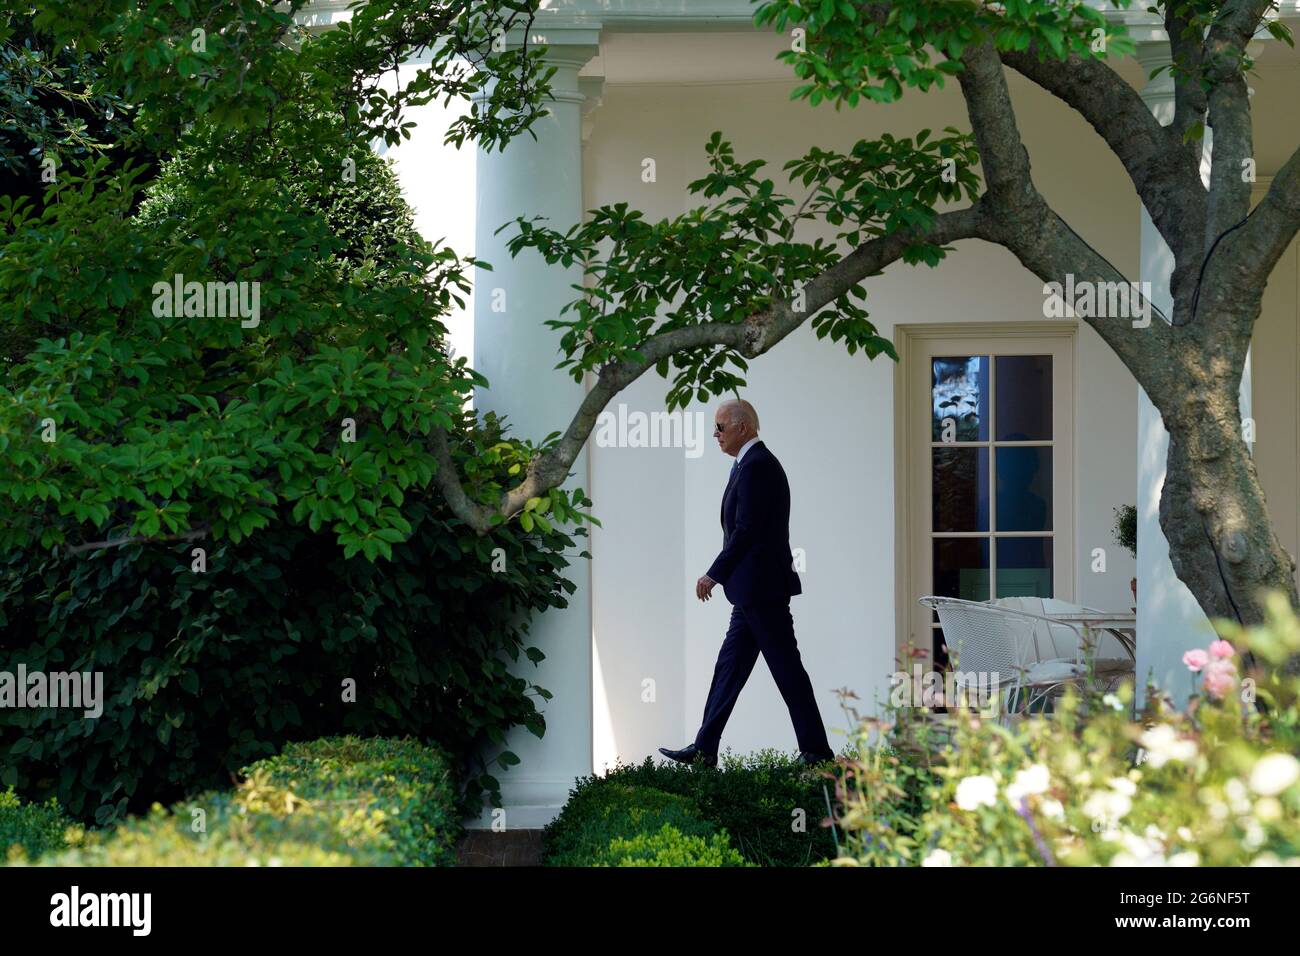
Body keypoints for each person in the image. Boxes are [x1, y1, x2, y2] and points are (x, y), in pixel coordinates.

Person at [659, 399, 835, 769]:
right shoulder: (748, 465)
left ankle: (817, 752)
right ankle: (705, 748)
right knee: (729, 669)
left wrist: (713, 573)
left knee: (788, 672)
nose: (715, 434)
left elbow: (746, 531)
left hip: (762, 591)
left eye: (720, 427)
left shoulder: (757, 466)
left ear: (743, 427)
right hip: (751, 592)